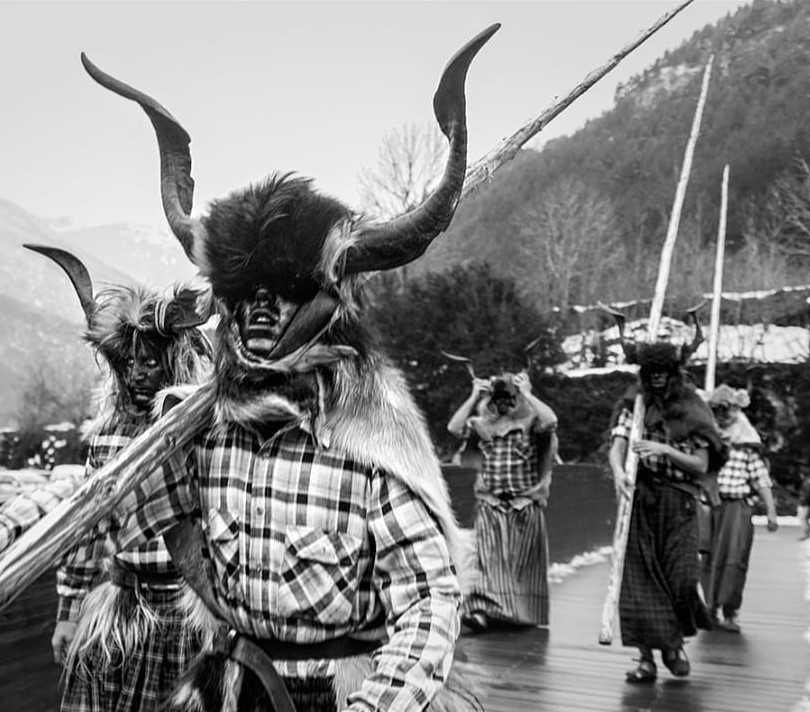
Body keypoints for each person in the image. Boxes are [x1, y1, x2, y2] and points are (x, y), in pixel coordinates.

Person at [78, 25, 498, 712]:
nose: (261, 313)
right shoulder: (203, 431)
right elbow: (154, 519)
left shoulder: (368, 438)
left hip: (340, 692)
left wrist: (375, 706)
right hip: (228, 683)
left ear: (326, 301)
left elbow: (428, 601)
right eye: (246, 294)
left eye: (285, 292)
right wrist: (157, 446)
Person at [9, 246, 215, 712]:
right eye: (128, 364)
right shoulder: (108, 438)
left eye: (150, 362)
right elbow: (87, 530)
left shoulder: (202, 432)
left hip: (186, 615)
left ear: (174, 361)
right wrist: (68, 614)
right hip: (120, 611)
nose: (137, 374)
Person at [608, 341, 726, 683]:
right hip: (640, 500)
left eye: (663, 372)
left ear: (674, 373)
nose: (657, 378)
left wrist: (664, 449)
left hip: (680, 502)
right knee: (640, 581)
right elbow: (617, 447)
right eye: (651, 372)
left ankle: (673, 645)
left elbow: (701, 464)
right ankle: (647, 659)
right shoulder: (634, 405)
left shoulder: (692, 409)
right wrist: (618, 472)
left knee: (682, 579)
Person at [447, 372, 558, 632]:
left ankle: (518, 616)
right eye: (497, 400)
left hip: (524, 504)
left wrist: (528, 392)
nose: (503, 405)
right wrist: (474, 395)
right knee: (487, 561)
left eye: (509, 399)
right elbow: (453, 428)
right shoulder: (482, 426)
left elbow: (551, 421)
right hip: (490, 504)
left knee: (522, 566)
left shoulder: (531, 424)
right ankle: (480, 612)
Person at [705, 384, 778, 633]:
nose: (722, 416)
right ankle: (709, 609)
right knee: (708, 558)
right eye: (717, 410)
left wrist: (771, 511)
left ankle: (729, 611)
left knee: (733, 559)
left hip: (736, 507)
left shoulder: (746, 446)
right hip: (710, 505)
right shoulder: (707, 441)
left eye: (726, 410)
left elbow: (761, 479)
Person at [797, 468, 810, 540]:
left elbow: (807, 495)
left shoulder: (808, 482)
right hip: (806, 504)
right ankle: (807, 534)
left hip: (805, 504)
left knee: (803, 519)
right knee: (804, 519)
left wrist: (802, 501)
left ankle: (806, 534)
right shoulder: (808, 482)